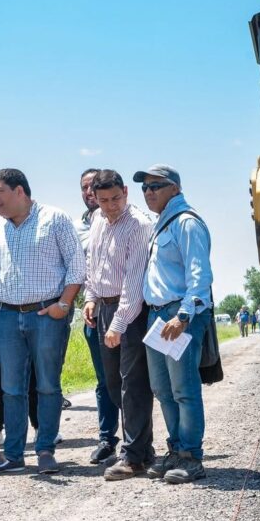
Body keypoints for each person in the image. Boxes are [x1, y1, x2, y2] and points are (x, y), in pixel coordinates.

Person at [0, 168, 84, 475]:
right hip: (7, 315)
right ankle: (13, 455)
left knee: (47, 385)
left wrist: (63, 305)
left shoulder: (55, 218)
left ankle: (45, 450)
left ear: (19, 191)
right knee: (11, 388)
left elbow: (76, 265)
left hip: (46, 314)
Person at [135, 164, 213, 484]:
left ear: (175, 189)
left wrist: (183, 316)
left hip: (178, 314)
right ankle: (176, 450)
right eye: (145, 187)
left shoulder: (186, 222)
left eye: (156, 186)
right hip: (157, 315)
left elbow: (200, 276)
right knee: (163, 388)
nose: (148, 192)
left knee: (183, 388)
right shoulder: (161, 224)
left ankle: (191, 457)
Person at [81, 169, 155, 481]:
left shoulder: (138, 225)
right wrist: (90, 297)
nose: (111, 206)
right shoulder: (97, 220)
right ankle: (143, 449)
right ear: (93, 198)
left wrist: (119, 324)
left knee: (132, 384)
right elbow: (93, 263)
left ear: (125, 191)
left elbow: (134, 281)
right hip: (103, 308)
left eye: (116, 198)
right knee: (112, 383)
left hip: (131, 311)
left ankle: (133, 456)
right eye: (103, 201)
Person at [75, 168, 120, 464]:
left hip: (126, 308)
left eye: (94, 186)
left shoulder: (127, 220)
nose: (89, 191)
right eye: (85, 187)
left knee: (132, 377)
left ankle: (139, 441)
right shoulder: (76, 227)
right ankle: (107, 439)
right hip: (94, 311)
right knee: (104, 380)